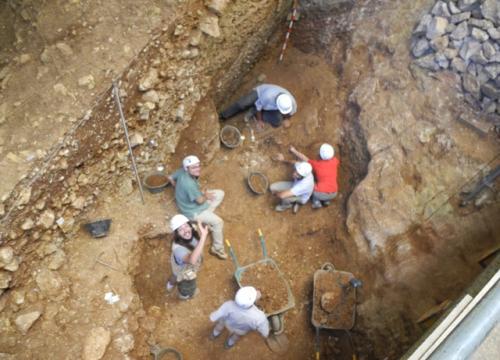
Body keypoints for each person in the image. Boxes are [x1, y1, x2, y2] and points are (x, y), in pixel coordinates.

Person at [168, 155, 228, 260]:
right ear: (187, 168)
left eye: (198, 166)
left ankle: (206, 218)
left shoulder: (182, 170)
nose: (198, 169)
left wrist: (177, 188)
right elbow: (200, 201)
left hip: (191, 204)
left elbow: (170, 177)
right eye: (194, 167)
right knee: (218, 222)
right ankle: (217, 248)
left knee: (220, 194)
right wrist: (205, 196)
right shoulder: (189, 184)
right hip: (192, 211)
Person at [167, 214, 208, 300]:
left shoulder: (191, 230)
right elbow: (192, 260)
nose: (185, 230)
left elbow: (196, 227)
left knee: (175, 275)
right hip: (183, 268)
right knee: (182, 280)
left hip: (182, 263)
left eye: (186, 226)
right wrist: (203, 237)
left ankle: (170, 284)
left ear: (190, 226)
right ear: (177, 234)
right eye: (180, 230)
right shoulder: (178, 249)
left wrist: (200, 224)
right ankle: (184, 295)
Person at [219, 83, 297, 128]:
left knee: (277, 122)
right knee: (242, 104)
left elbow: (289, 113)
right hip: (260, 94)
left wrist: (288, 120)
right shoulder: (268, 96)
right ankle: (223, 115)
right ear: (277, 103)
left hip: (268, 105)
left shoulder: (291, 103)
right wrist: (260, 120)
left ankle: (253, 110)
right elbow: (258, 107)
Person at [289, 143, 339, 209]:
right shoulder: (335, 161)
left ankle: (316, 202)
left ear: (320, 155)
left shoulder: (316, 165)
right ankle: (326, 201)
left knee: (311, 184)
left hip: (320, 193)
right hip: (334, 193)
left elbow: (304, 158)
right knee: (326, 187)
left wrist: (293, 150)